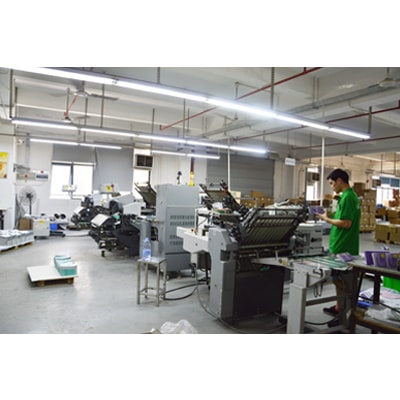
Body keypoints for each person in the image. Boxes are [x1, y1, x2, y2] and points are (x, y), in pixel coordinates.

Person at [316, 168, 361, 321]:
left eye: (332, 183)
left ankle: (344, 317)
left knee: (344, 283)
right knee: (338, 280)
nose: (332, 186)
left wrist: (326, 219)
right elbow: (341, 216)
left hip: (343, 247)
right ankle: (338, 308)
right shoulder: (347, 197)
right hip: (341, 244)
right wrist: (329, 214)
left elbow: (346, 223)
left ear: (339, 181)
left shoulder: (348, 197)